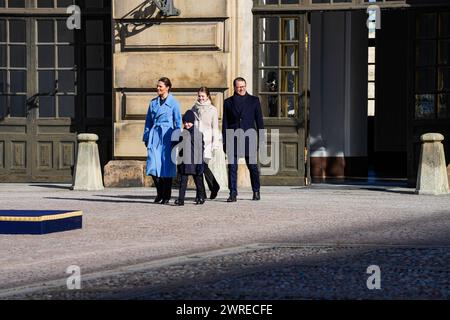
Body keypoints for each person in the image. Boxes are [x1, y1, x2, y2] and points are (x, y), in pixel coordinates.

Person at [222, 77, 264, 202]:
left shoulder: (254, 101)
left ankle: (256, 191)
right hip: (232, 138)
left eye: (243, 86)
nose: (241, 88)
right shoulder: (228, 102)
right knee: (232, 168)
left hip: (249, 138)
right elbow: (225, 123)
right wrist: (224, 140)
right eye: (239, 86)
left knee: (252, 166)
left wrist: (261, 139)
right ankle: (233, 193)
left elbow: (259, 122)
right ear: (234, 87)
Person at [143, 77, 182, 205]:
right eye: (157, 86)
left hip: (168, 136)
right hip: (155, 135)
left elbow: (178, 122)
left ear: (167, 87)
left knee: (166, 166)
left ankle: (166, 195)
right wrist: (146, 136)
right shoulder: (152, 103)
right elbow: (148, 121)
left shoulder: (174, 103)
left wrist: (176, 138)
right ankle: (160, 192)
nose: (158, 88)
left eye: (160, 86)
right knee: (152, 165)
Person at [191, 87, 221, 200]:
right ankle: (209, 189)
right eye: (199, 96)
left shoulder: (212, 109)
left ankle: (211, 188)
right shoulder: (194, 108)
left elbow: (215, 127)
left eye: (203, 96)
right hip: (196, 140)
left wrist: (215, 143)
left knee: (202, 166)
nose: (201, 98)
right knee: (200, 167)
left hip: (207, 141)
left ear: (208, 96)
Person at [174, 110, 205, 206]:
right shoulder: (182, 134)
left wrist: (200, 163)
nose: (186, 124)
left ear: (193, 122)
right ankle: (181, 199)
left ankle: (201, 197)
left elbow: (201, 149)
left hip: (195, 162)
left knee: (198, 182)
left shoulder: (198, 134)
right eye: (185, 122)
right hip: (184, 162)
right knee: (182, 182)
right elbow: (180, 148)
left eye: (189, 122)